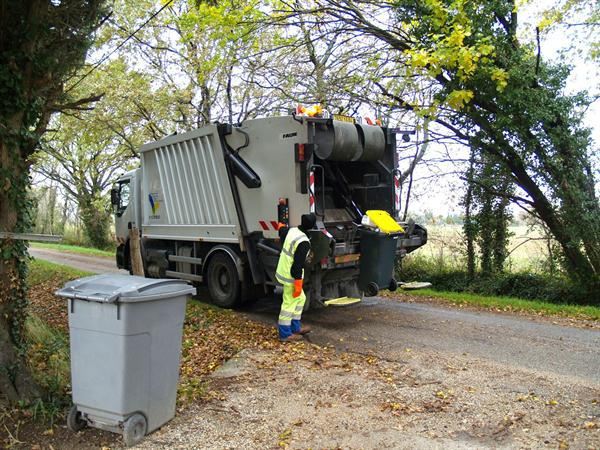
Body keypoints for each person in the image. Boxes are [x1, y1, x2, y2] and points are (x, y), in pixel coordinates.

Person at [275, 213, 316, 342]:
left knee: (301, 299)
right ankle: (285, 334)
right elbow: (297, 265)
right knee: (289, 303)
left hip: (284, 269)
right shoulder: (303, 242)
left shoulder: (293, 230)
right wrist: (298, 283)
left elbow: (282, 231)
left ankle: (295, 327)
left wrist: (280, 225)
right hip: (290, 275)